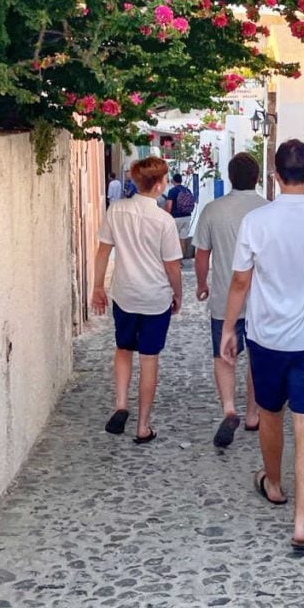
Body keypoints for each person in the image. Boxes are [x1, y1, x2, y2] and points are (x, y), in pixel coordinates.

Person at [220, 139, 304, 551]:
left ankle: (273, 484)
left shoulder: (257, 222)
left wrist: (228, 329)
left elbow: (240, 281)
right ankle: (302, 522)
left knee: (271, 413)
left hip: (267, 337)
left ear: (276, 176)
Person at [92, 156, 183, 444]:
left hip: (125, 293)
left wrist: (97, 287)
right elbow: (172, 266)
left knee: (123, 348)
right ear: (158, 185)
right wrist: (178, 294)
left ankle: (121, 404)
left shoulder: (116, 211)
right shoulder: (164, 221)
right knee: (149, 359)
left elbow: (103, 252)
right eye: (165, 179)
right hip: (155, 298)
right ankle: (143, 426)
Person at [194, 154, 268, 447]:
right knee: (256, 358)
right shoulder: (267, 210)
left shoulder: (213, 210)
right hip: (260, 301)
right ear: (257, 176)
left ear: (230, 176)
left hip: (225, 298)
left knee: (223, 356)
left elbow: (202, 254)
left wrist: (202, 284)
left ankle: (228, 408)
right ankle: (253, 414)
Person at [165, 173, 196, 259]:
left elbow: (169, 206)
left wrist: (165, 217)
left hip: (176, 218)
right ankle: (181, 260)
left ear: (173, 181)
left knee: (173, 240)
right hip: (187, 217)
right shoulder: (187, 190)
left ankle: (175, 260)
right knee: (183, 240)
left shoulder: (172, 191)